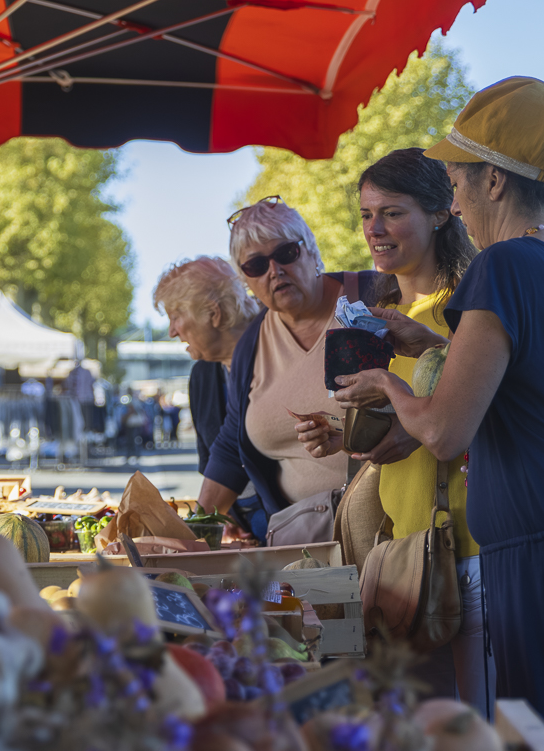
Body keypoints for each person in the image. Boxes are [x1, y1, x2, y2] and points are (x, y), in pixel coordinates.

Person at [334, 77, 544, 751]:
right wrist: (433, 345)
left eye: (456, 176)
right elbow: (535, 378)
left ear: (494, 182)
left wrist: (386, 385)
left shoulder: (502, 268)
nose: (451, 195)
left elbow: (443, 429)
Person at [301, 148, 489, 714]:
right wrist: (344, 436)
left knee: (468, 729)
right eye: (365, 214)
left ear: (440, 213)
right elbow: (399, 423)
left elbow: (485, 409)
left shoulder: (468, 309)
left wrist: (416, 389)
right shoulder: (375, 315)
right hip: (403, 549)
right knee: (420, 730)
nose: (374, 230)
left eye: (391, 212)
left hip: (462, 548)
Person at [200, 199, 377, 541]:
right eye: (255, 265)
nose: (274, 271)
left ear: (311, 251)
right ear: (245, 280)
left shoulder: (373, 295)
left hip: (388, 530)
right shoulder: (252, 343)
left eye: (286, 253)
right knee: (280, 598)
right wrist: (195, 530)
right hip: (300, 539)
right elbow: (231, 443)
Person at [151, 256, 260, 511]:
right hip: (237, 517)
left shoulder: (276, 349)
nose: (172, 332)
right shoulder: (202, 374)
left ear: (213, 313)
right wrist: (227, 518)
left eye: (175, 317)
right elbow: (211, 456)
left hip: (297, 522)